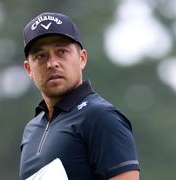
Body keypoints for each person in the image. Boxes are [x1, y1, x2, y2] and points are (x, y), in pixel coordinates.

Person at [19, 12, 140, 180]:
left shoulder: (101, 117)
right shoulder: (31, 130)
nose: (52, 63)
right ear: (28, 69)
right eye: (40, 56)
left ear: (82, 58)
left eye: (61, 51)